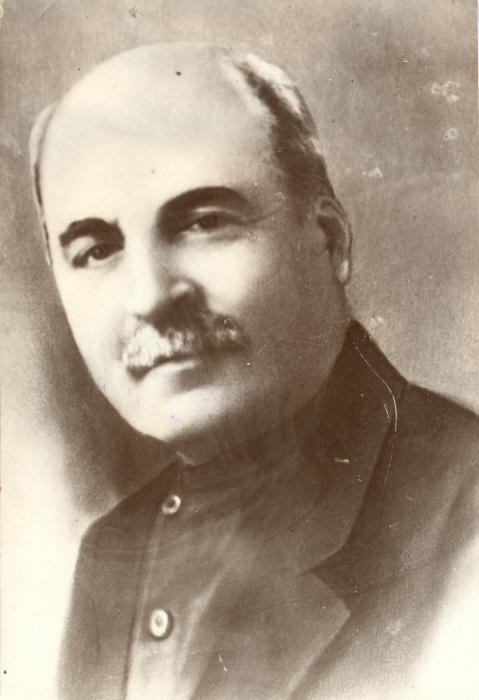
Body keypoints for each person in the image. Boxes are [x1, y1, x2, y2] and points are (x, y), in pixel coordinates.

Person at [30, 42, 478, 700]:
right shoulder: (111, 553)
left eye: (203, 222)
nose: (149, 297)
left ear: (329, 240)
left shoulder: (460, 507)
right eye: (97, 250)